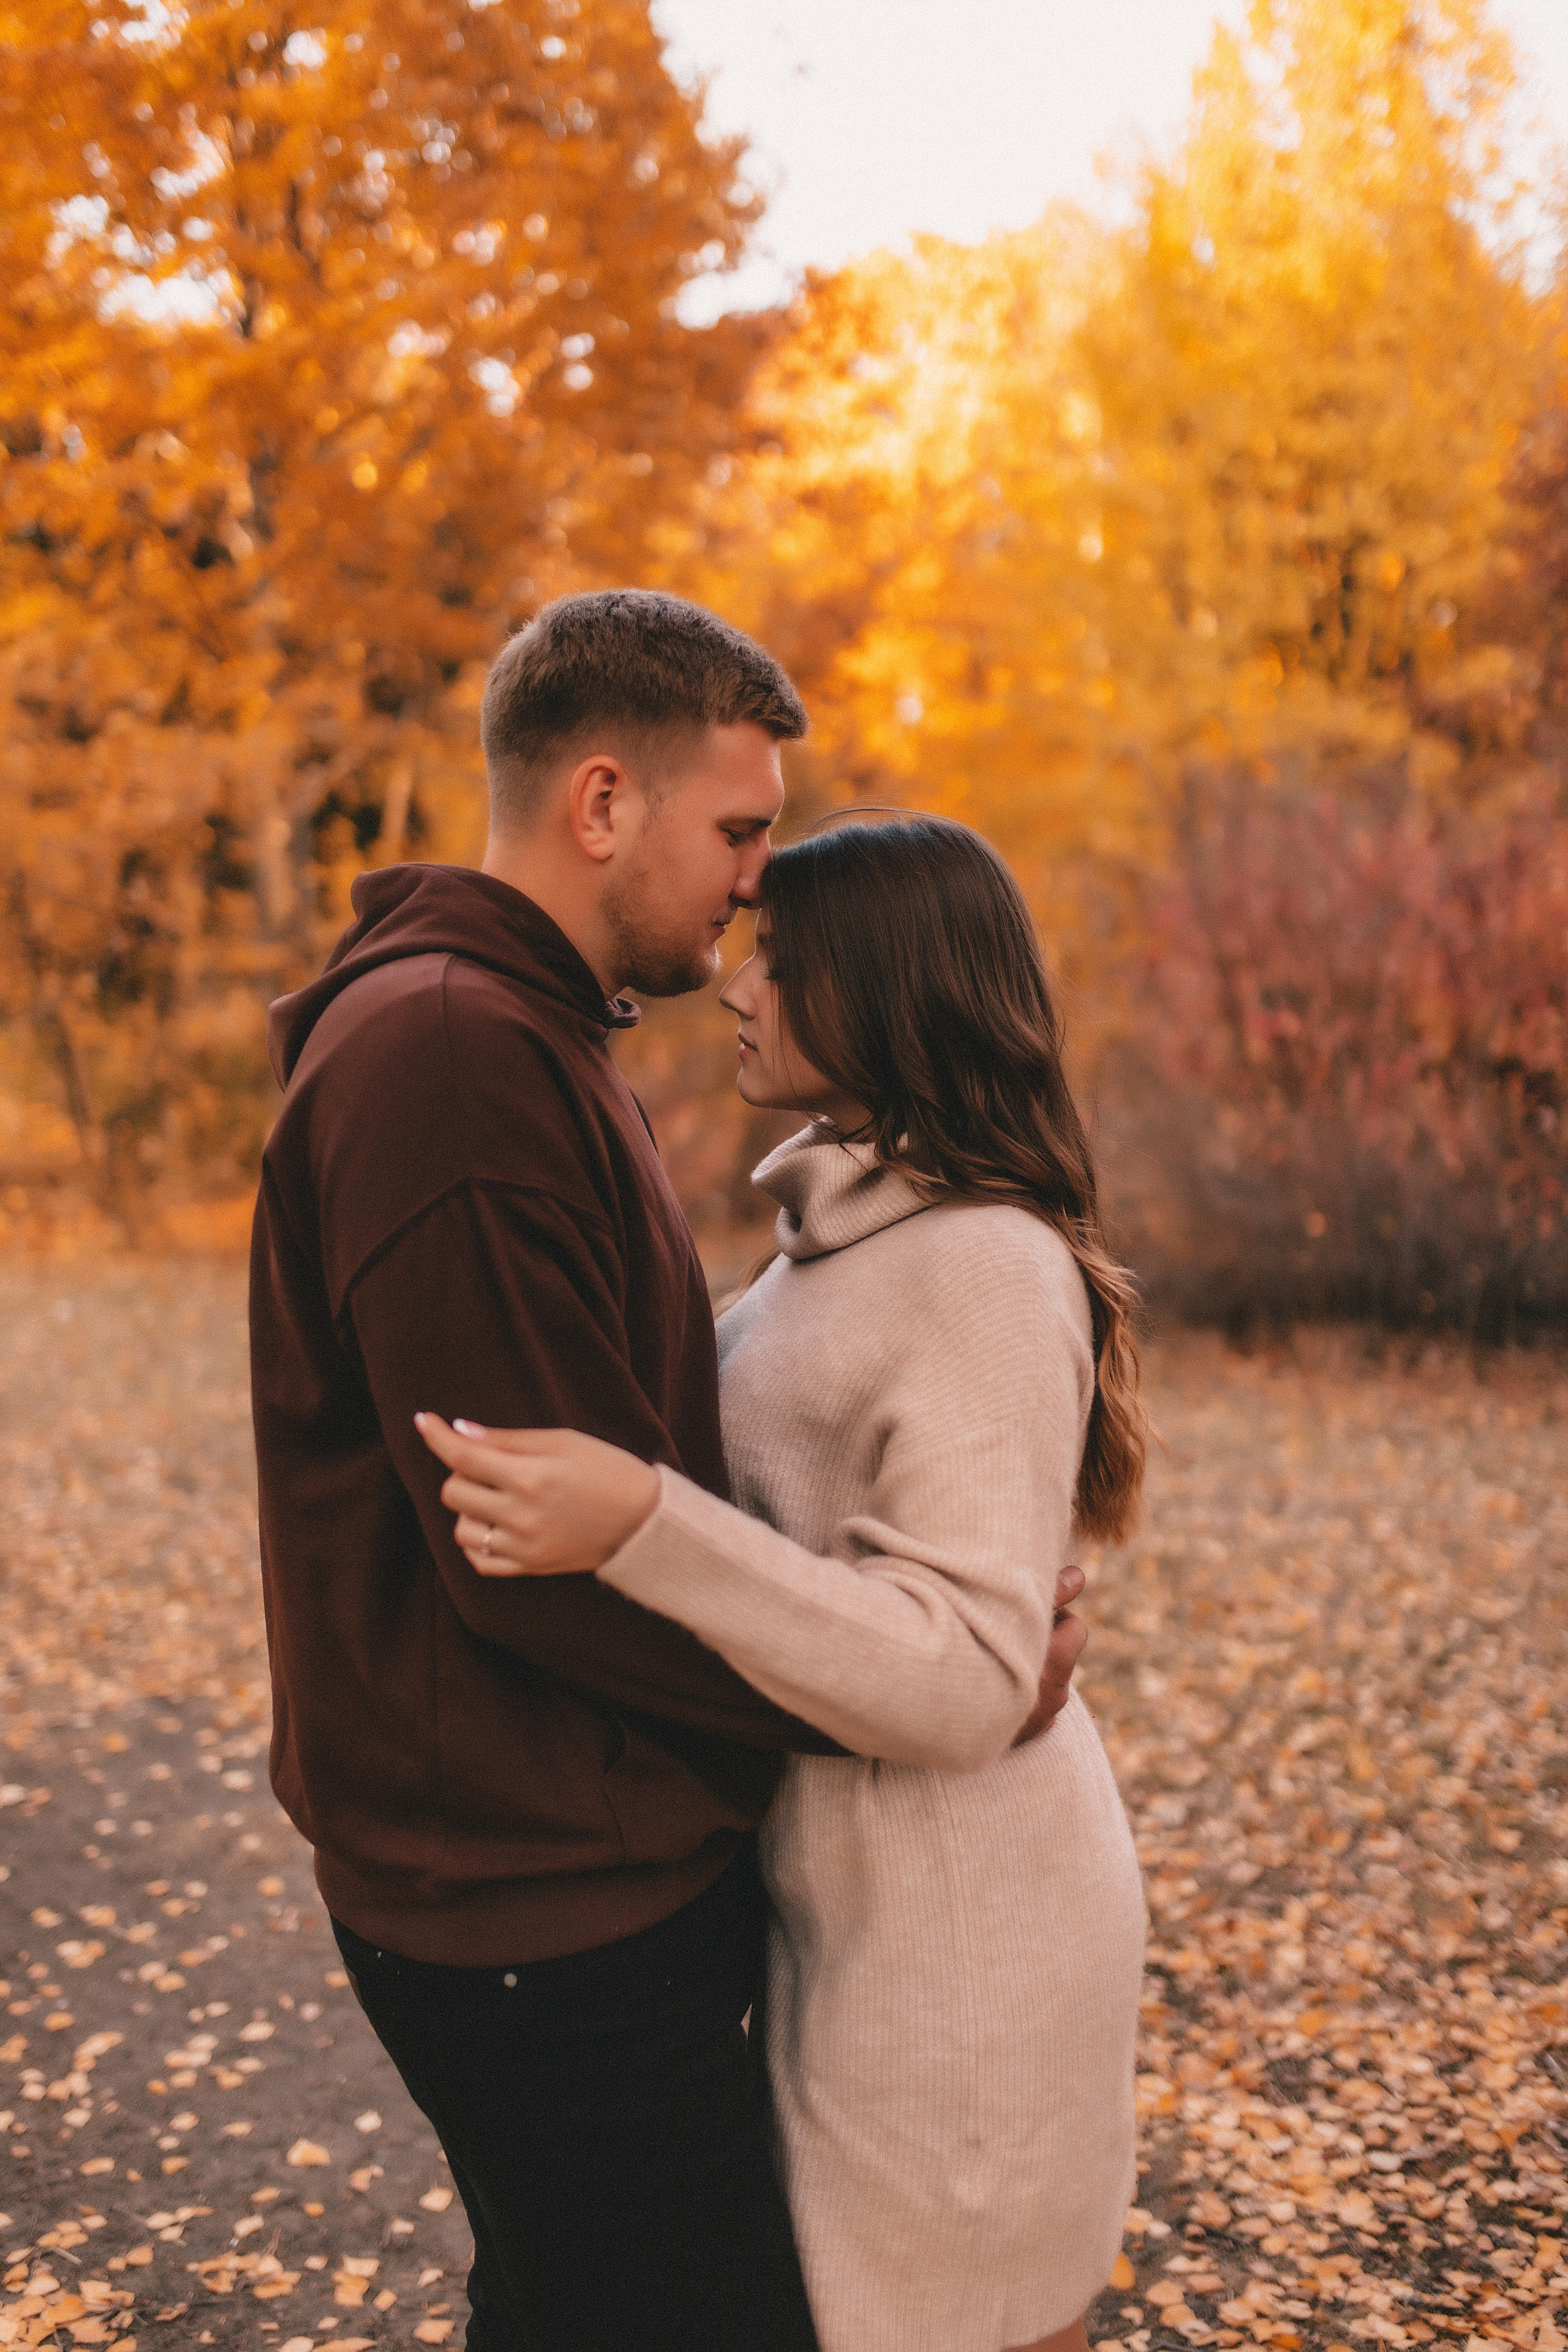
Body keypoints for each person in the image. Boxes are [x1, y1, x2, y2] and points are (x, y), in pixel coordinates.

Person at [249, 590, 1089, 2352]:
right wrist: (915, 1697)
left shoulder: (528, 1035)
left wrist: (937, 1653)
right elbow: (531, 1545)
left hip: (562, 1865)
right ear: (604, 801)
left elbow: (644, 1467)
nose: (749, 881)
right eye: (736, 830)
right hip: (537, 1891)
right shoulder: (464, 1056)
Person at [417, 811, 1151, 2352]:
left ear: (889, 990)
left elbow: (960, 1678)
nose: (738, 987)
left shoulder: (982, 1265)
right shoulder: (842, 1230)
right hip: (853, 1907)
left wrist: (637, 1525)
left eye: (784, 959)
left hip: (962, 1946)